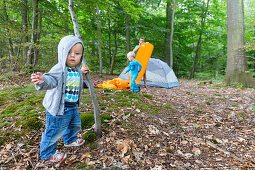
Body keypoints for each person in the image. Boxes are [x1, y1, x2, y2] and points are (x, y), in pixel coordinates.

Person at [31, 35, 89, 163]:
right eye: (69, 52)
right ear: (62, 53)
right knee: (54, 131)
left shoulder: (76, 70)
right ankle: (47, 153)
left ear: (81, 56)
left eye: (77, 53)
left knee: (74, 124)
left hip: (72, 106)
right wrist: (42, 80)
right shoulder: (59, 68)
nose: (73, 56)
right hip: (58, 109)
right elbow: (50, 80)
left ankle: (70, 139)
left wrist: (83, 73)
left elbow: (77, 80)